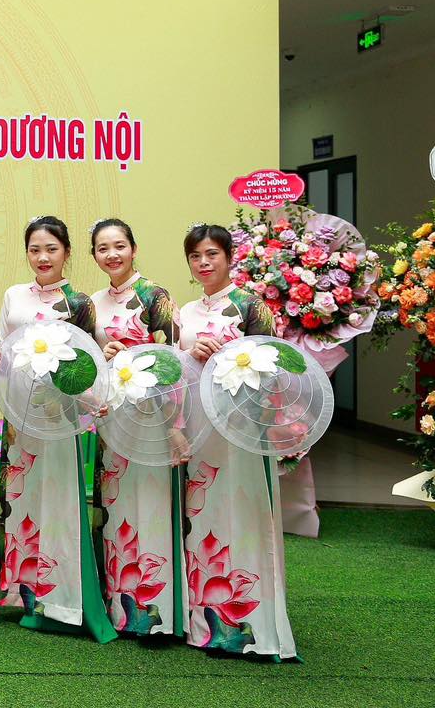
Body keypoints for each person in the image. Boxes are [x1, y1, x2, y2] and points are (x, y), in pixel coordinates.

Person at [177, 223, 296, 660]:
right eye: (195, 256)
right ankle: (206, 623)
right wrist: (190, 354)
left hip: (243, 429)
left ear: (230, 257)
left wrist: (228, 355)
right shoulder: (185, 311)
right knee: (202, 515)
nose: (203, 263)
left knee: (244, 514)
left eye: (212, 254)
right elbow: (177, 369)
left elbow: (276, 368)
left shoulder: (251, 306)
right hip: (199, 426)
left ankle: (254, 624)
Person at [0, 215, 115, 643]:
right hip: (20, 417)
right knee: (21, 501)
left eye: (51, 249)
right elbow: (1, 350)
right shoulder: (13, 296)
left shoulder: (79, 303)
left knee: (60, 503)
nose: (43, 257)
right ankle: (22, 594)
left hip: (60, 418)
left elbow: (88, 364)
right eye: (35, 249)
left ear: (66, 253)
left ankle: (61, 600)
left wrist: (94, 398)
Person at [88, 217, 182, 641]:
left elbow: (173, 364)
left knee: (152, 508)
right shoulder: (93, 303)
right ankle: (120, 607)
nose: (112, 254)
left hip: (152, 419)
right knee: (118, 510)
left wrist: (172, 424)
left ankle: (157, 612)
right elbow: (88, 362)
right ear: (94, 255)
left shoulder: (154, 296)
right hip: (113, 419)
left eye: (119, 246)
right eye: (103, 248)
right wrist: (103, 354)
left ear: (133, 248)